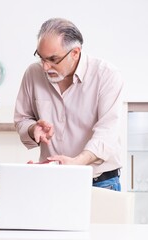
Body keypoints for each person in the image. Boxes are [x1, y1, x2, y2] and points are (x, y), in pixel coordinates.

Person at [14, 18, 123, 191]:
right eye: (41, 58)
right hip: (52, 179)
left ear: (75, 53)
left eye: (53, 59)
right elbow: (22, 119)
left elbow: (106, 133)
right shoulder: (33, 74)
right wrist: (33, 128)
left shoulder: (106, 75)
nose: (45, 67)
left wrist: (76, 163)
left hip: (99, 182)